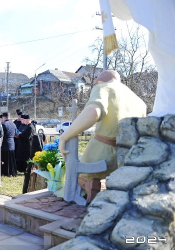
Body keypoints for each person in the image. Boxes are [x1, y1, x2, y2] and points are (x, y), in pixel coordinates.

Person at [59, 70, 146, 203]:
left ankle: (88, 184)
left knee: (75, 173)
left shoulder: (103, 88)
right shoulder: (140, 102)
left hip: (101, 152)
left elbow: (94, 112)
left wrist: (65, 136)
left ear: (99, 81)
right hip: (128, 157)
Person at [1, 112, 17, 177]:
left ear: (4, 117)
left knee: (6, 160)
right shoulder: (13, 124)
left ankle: (6, 172)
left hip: (5, 143)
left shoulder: (4, 124)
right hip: (12, 142)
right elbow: (16, 133)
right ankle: (12, 172)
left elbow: (2, 134)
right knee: (12, 159)